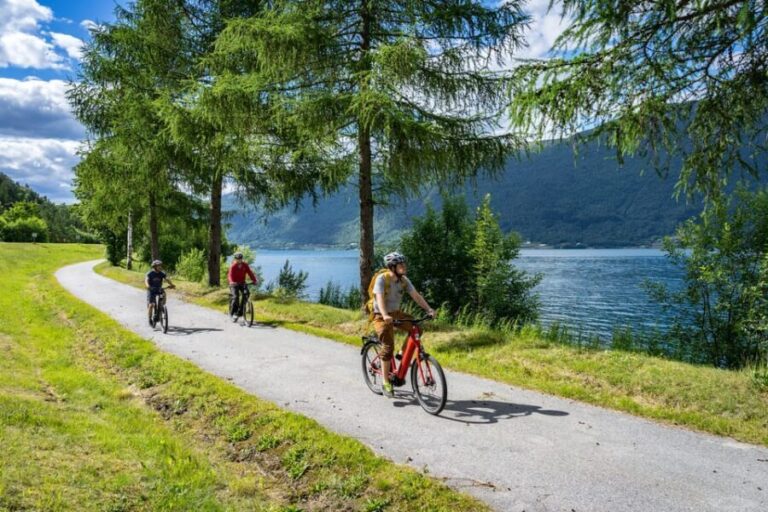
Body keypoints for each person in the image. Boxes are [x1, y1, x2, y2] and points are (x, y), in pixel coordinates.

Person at [372, 251, 435, 398]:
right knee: (387, 348)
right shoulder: (382, 279)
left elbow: (416, 296)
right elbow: (379, 298)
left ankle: (401, 353)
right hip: (381, 315)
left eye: (403, 263)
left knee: (416, 328)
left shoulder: (404, 281)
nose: (404, 266)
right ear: (392, 267)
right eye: (401, 264)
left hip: (395, 313)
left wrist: (428, 309)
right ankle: (386, 382)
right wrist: (385, 315)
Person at [228, 251, 259, 321]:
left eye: (240, 258)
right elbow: (230, 275)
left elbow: (250, 273)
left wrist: (254, 280)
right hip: (234, 284)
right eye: (238, 259)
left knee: (246, 294)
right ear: (235, 259)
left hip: (242, 283)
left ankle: (240, 312)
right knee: (236, 297)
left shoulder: (245, 265)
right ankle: (233, 312)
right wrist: (232, 282)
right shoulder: (233, 266)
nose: (239, 260)